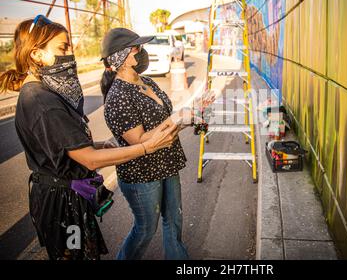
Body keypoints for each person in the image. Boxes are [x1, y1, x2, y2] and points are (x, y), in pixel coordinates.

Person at [0, 15, 179, 260]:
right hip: (62, 206)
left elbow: (61, 146)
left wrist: (95, 144)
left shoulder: (42, 93)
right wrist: (147, 147)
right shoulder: (41, 100)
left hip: (69, 199)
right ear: (36, 54)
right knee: (76, 256)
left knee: (84, 254)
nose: (70, 54)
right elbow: (90, 160)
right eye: (62, 48)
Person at [100, 28, 214, 260]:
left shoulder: (148, 82)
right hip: (143, 174)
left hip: (167, 163)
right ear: (120, 58)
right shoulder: (118, 96)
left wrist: (193, 110)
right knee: (145, 229)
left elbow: (166, 118)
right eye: (137, 48)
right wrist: (178, 120)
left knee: (174, 219)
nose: (143, 52)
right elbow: (140, 141)